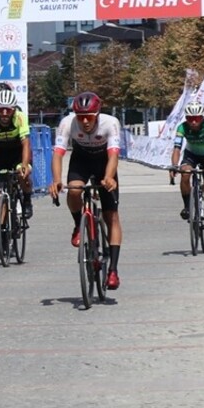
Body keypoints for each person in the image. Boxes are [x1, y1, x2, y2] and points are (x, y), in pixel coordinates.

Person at [48, 91, 124, 290]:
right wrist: (56, 180)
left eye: (89, 117)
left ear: (97, 114)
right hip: (81, 160)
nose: (85, 122)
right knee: (73, 190)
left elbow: (114, 155)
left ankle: (113, 270)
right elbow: (57, 155)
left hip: (104, 163)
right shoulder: (67, 123)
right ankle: (77, 225)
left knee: (111, 217)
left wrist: (108, 177)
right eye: (80, 117)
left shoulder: (110, 123)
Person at [0, 87, 34, 224]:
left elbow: (26, 144)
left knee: (22, 173)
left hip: (18, 153)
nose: (4, 114)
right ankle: (0, 227)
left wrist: (24, 164)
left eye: (8, 110)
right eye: (0, 110)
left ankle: (27, 199)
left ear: (14, 109)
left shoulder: (20, 117)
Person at [169, 101, 204, 239]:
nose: (193, 122)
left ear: (202, 118)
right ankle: (187, 206)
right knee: (185, 173)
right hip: (191, 155)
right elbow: (177, 149)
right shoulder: (182, 128)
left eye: (196, 118)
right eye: (190, 119)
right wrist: (174, 165)